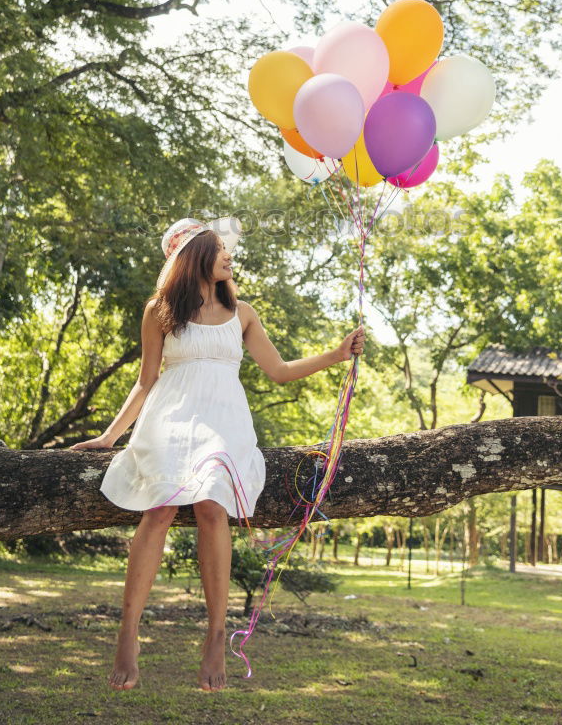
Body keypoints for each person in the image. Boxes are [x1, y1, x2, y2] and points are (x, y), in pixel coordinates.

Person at [69, 215, 365, 694]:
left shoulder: (242, 313)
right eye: (221, 248)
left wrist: (336, 353)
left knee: (211, 507)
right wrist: (108, 438)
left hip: (222, 423)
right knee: (160, 509)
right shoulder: (159, 311)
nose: (230, 256)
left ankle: (213, 636)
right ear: (196, 255)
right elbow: (146, 381)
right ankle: (127, 633)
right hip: (171, 419)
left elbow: (280, 370)